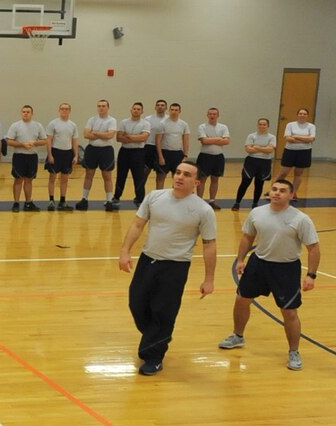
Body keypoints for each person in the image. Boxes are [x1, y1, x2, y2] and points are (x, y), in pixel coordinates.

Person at [118, 161, 217, 376]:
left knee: (164, 312)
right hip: (148, 261)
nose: (180, 177)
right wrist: (125, 251)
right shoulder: (155, 197)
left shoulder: (203, 210)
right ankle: (157, 336)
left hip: (175, 267)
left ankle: (154, 356)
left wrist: (209, 279)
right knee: (137, 304)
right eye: (178, 172)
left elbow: (209, 244)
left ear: (197, 182)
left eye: (187, 175)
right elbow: (137, 225)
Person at [218, 179, 320, 371]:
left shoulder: (301, 219)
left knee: (289, 312)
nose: (276, 193)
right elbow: (248, 236)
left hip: (286, 269)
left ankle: (294, 352)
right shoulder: (257, 213)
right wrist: (241, 259)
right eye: (274, 189)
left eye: (282, 191)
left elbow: (313, 248)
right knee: (241, 300)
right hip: (258, 264)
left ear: (291, 195)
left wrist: (311, 275)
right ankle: (237, 336)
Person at [78, 99, 118, 211]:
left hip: (106, 151)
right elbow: (86, 134)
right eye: (99, 106)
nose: (101, 108)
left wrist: (94, 132)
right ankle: (84, 199)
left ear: (108, 107)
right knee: (88, 175)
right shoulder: (92, 119)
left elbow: (110, 135)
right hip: (92, 150)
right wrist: (102, 134)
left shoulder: (112, 120)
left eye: (103, 106)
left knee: (107, 176)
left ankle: (109, 201)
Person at [5, 105, 47, 212]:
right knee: (18, 180)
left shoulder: (38, 125)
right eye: (23, 111)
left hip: (32, 157)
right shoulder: (15, 125)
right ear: (21, 113)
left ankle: (28, 203)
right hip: (19, 156)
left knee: (29, 180)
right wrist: (23, 145)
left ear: (32, 114)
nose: (25, 113)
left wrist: (34, 143)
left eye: (28, 112)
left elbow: (44, 140)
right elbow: (9, 141)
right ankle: (16, 203)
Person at [113, 101, 152, 208]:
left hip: (138, 153)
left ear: (142, 111)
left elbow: (144, 138)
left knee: (139, 177)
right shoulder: (124, 122)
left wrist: (128, 136)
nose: (136, 111)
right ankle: (116, 197)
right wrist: (136, 137)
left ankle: (139, 198)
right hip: (124, 152)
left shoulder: (145, 123)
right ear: (131, 110)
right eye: (134, 109)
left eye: (138, 109)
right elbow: (119, 138)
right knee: (121, 176)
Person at [232, 118, 276, 211]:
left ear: (268, 126)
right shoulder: (251, 136)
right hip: (251, 162)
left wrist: (256, 147)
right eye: (260, 124)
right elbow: (248, 149)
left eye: (264, 124)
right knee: (245, 183)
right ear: (257, 125)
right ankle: (237, 203)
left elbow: (270, 150)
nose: (262, 126)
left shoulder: (272, 137)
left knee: (259, 184)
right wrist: (264, 148)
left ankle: (255, 203)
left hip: (265, 162)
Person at [275, 108, 316, 200]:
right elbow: (288, 139)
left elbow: (311, 139)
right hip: (290, 151)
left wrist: (296, 136)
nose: (302, 115)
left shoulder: (311, 126)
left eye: (304, 114)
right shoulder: (290, 125)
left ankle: (293, 193)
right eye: (300, 113)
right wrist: (305, 139)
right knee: (283, 173)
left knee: (299, 173)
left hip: (304, 152)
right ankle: (274, 190)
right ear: (297, 115)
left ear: (307, 116)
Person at [45, 102, 78, 212]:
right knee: (52, 178)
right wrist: (50, 154)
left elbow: (74, 141)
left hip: (67, 153)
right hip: (56, 152)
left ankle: (62, 201)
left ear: (70, 111)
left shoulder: (73, 125)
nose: (64, 110)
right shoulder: (53, 123)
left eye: (66, 109)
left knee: (64, 179)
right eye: (62, 109)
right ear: (59, 110)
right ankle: (51, 200)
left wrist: (76, 155)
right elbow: (48, 140)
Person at [195, 107, 230, 209]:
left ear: (218, 115)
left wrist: (210, 139)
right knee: (202, 180)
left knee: (215, 179)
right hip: (205, 156)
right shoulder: (202, 126)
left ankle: (212, 201)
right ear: (207, 115)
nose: (212, 116)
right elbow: (204, 141)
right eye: (210, 114)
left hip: (218, 157)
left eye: (214, 114)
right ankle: (199, 201)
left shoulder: (223, 127)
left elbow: (227, 141)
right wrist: (219, 139)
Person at [155, 103, 190, 185]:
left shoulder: (184, 124)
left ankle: (175, 197)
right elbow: (158, 141)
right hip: (165, 153)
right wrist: (160, 156)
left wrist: (185, 155)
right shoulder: (162, 123)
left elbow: (186, 141)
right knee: (160, 177)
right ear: (169, 110)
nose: (174, 112)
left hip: (177, 153)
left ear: (179, 111)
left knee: (177, 178)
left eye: (176, 110)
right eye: (172, 110)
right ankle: (160, 197)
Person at [145, 99, 168, 191]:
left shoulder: (169, 120)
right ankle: (141, 197)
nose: (160, 107)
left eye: (162, 105)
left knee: (161, 175)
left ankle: (158, 197)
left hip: (163, 149)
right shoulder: (148, 119)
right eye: (158, 105)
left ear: (166, 107)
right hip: (149, 147)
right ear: (155, 107)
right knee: (144, 173)